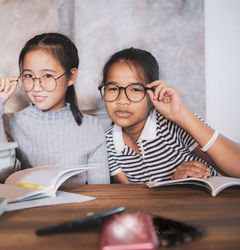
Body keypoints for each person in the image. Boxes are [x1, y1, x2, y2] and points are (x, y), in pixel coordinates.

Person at [99, 47, 240, 184]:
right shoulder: (107, 143)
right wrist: (172, 183)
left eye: (135, 89)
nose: (122, 100)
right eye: (112, 88)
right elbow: (132, 198)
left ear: (153, 92)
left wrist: (181, 115)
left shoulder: (174, 124)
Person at [0, 33, 109, 184]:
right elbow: (0, 175)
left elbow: (100, 190)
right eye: (29, 76)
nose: (36, 87)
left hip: (76, 208)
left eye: (48, 76)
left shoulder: (91, 127)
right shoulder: (9, 124)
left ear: (71, 76)